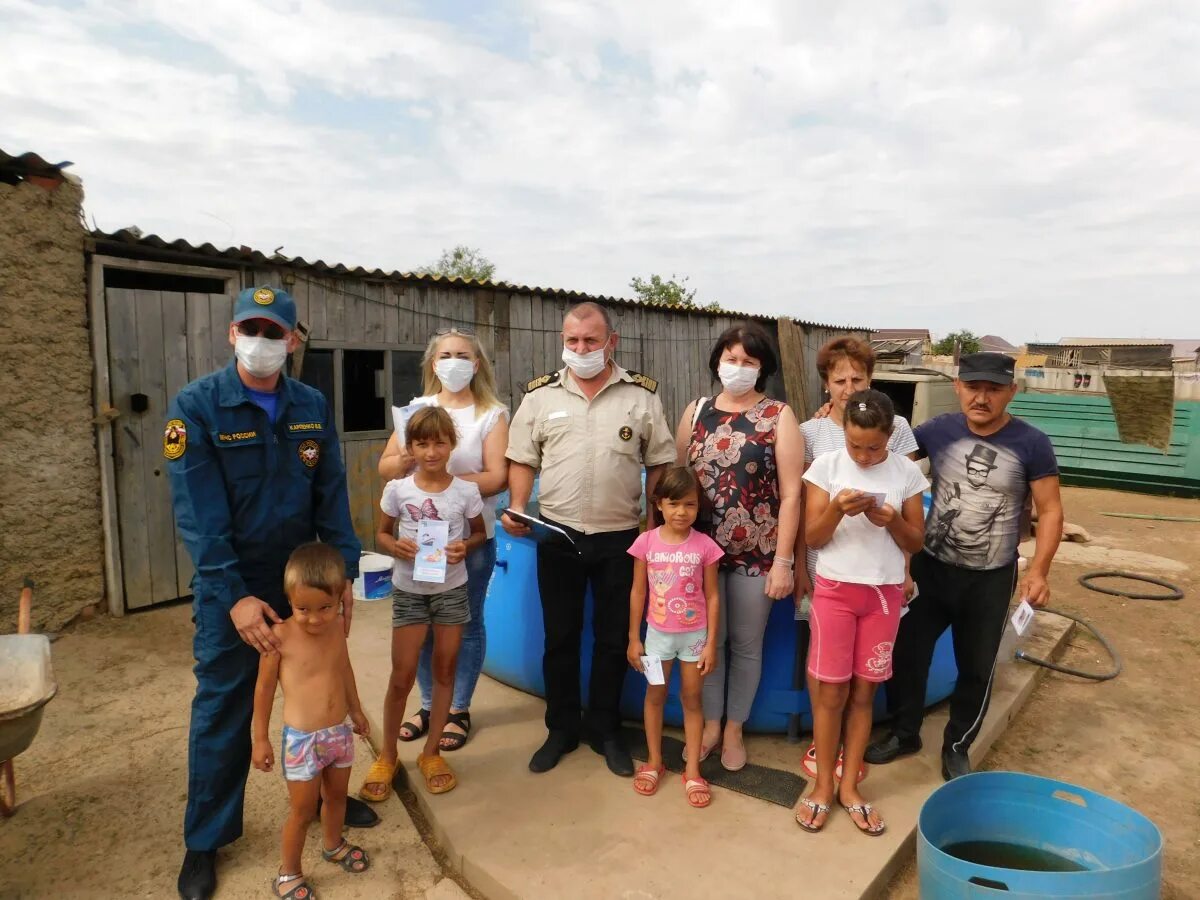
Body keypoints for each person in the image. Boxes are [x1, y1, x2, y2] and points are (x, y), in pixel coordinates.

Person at [167, 286, 376, 900]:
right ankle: (206, 838)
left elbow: (331, 493)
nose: (261, 341)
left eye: (274, 331)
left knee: (324, 687)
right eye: (250, 329)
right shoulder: (198, 406)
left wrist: (342, 574)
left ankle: (328, 799)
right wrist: (233, 595)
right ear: (232, 334)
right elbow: (198, 514)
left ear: (291, 340)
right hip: (231, 583)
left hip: (302, 581)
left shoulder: (310, 404)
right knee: (226, 704)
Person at [865, 353, 1063, 780]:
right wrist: (834, 418)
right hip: (932, 568)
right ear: (957, 386)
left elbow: (1049, 510)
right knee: (907, 652)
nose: (982, 398)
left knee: (976, 666)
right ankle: (904, 733)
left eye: (994, 389)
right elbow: (882, 454)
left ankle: (956, 745)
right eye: (973, 387)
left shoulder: (1032, 443)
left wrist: (1039, 570)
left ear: (1012, 392)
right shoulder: (937, 431)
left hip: (991, 578)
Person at [503, 301, 676, 777]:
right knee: (559, 637)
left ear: (610, 342)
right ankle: (560, 729)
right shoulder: (540, 396)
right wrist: (517, 505)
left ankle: (605, 729)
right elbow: (522, 457)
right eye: (572, 341)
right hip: (557, 534)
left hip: (620, 538)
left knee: (613, 638)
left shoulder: (640, 396)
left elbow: (660, 461)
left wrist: (653, 524)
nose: (580, 349)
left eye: (591, 341)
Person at [794, 391, 927, 835]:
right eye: (855, 445)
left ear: (890, 436)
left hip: (883, 596)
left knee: (864, 694)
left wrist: (892, 521)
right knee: (831, 694)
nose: (864, 456)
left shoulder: (906, 472)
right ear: (844, 434)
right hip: (835, 591)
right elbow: (813, 537)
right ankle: (822, 786)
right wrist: (836, 508)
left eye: (874, 447)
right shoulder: (826, 467)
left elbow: (916, 542)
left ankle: (850, 786)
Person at [676, 322, 803, 771]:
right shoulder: (696, 412)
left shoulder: (779, 415)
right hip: (699, 553)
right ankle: (711, 725)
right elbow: (676, 480)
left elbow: (792, 494)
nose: (738, 367)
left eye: (749, 361)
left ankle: (734, 728)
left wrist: (783, 562)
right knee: (709, 641)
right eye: (731, 359)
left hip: (756, 553)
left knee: (747, 645)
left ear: (762, 368)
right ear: (717, 362)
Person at [378, 327, 509, 752]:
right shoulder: (416, 410)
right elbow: (386, 467)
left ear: (477, 364)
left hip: (468, 540)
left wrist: (442, 484)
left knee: (465, 624)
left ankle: (458, 708)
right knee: (422, 626)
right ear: (433, 364)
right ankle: (429, 705)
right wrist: (406, 462)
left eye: (463, 355)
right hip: (420, 543)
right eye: (446, 355)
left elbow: (497, 476)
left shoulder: (491, 413)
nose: (455, 362)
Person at [360, 407, 486, 800]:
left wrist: (465, 546)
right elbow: (382, 533)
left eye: (439, 443)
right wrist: (394, 546)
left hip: (451, 592)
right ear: (410, 447)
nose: (431, 452)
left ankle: (432, 754)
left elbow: (479, 534)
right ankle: (388, 755)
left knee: (445, 670)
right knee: (402, 675)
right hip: (409, 593)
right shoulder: (398, 489)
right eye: (422, 444)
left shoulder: (465, 492)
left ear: (451, 444)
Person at [252, 543, 371, 899]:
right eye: (302, 609)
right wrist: (260, 738)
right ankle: (288, 873)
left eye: (325, 608)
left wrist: (356, 709)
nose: (315, 618)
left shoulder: (337, 628)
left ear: (340, 599)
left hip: (338, 734)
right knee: (302, 812)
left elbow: (344, 669)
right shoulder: (279, 638)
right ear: (289, 599)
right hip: (302, 741)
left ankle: (333, 845)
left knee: (336, 798)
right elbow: (263, 690)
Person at [626, 467, 723, 807]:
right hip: (657, 638)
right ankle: (654, 762)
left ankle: (693, 770)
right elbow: (638, 592)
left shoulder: (705, 547)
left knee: (692, 699)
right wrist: (634, 638)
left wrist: (711, 643)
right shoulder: (646, 543)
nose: (682, 512)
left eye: (690, 504)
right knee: (655, 695)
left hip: (694, 639)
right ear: (659, 504)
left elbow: (713, 596)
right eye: (674, 504)